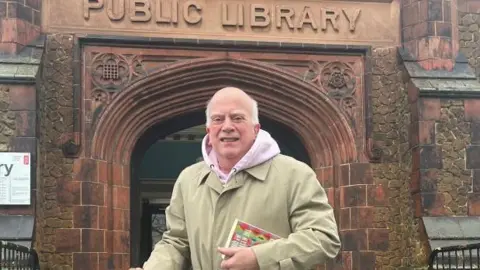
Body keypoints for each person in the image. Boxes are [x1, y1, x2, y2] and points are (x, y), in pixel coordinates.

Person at [139, 86, 341, 270]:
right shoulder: (188, 179)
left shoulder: (295, 174)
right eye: (218, 119)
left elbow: (323, 237)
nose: (227, 126)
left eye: (237, 118)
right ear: (208, 131)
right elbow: (176, 242)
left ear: (256, 129)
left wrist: (259, 257)